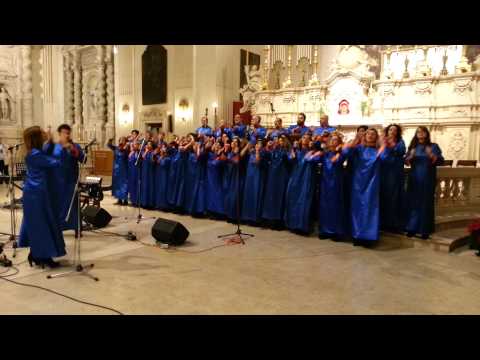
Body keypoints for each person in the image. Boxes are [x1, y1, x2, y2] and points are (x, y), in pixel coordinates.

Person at [18, 126, 64, 269]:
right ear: (37, 137)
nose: (45, 132)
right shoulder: (35, 154)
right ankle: (43, 256)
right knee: (42, 224)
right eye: (42, 132)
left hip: (36, 192)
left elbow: (46, 151)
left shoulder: (35, 152)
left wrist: (51, 141)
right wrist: (59, 147)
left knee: (40, 224)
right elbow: (55, 162)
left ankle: (37, 254)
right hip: (36, 194)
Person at [342, 128, 386, 247]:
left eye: (373, 134)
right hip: (358, 182)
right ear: (364, 136)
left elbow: (385, 158)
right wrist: (353, 142)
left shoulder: (378, 149)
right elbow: (345, 153)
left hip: (372, 182)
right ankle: (357, 235)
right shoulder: (359, 149)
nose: (370, 135)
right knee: (357, 209)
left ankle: (369, 237)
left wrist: (383, 146)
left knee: (370, 208)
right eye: (368, 134)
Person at [44, 124, 85, 234]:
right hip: (57, 181)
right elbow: (45, 156)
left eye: (67, 133)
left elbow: (83, 159)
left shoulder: (74, 145)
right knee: (58, 205)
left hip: (71, 180)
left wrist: (72, 149)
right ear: (59, 134)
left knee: (73, 204)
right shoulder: (55, 146)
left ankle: (77, 228)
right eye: (63, 133)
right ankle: (59, 228)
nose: (66, 135)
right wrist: (48, 141)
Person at [404, 126, 444, 239]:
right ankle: (411, 228)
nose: (420, 133)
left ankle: (424, 230)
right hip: (414, 178)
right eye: (418, 132)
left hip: (427, 178)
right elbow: (406, 162)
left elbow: (441, 161)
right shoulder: (413, 147)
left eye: (422, 132)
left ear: (426, 134)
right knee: (413, 202)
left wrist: (431, 155)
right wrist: (409, 157)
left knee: (426, 202)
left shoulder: (433, 146)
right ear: (416, 135)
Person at [284, 134, 322, 235]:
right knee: (293, 200)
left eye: (307, 138)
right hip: (295, 178)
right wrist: (293, 149)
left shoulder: (313, 152)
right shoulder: (297, 151)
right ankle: (293, 225)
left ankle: (303, 227)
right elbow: (290, 159)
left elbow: (316, 160)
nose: (304, 139)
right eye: (303, 137)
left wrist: (312, 150)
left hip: (307, 179)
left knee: (304, 202)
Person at [317, 132, 347, 240]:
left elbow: (339, 160)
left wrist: (340, 150)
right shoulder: (325, 153)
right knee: (324, 205)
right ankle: (325, 230)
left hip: (336, 182)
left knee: (336, 205)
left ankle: (336, 231)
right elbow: (316, 159)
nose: (334, 141)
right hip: (325, 181)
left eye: (336, 140)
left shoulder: (342, 153)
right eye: (332, 139)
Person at [379, 124, 406, 233]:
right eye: (390, 129)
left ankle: (394, 224)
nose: (392, 131)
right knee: (383, 196)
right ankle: (383, 222)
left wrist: (392, 145)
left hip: (395, 173)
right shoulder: (382, 140)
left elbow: (401, 151)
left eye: (395, 130)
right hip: (383, 171)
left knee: (394, 197)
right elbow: (379, 153)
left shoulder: (400, 142)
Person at [262, 135, 290, 229]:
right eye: (278, 140)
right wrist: (267, 147)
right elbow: (265, 157)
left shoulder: (286, 151)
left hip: (281, 177)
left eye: (281, 140)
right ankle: (270, 220)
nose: (278, 142)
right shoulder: (273, 151)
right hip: (272, 177)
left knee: (280, 197)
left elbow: (290, 161)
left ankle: (279, 222)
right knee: (271, 197)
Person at [241, 140, 267, 225]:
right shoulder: (251, 152)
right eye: (257, 144)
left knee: (256, 196)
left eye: (260, 144)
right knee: (248, 196)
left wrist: (257, 151)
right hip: (250, 177)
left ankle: (255, 219)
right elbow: (241, 154)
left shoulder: (262, 153)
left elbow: (257, 161)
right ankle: (246, 217)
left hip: (257, 177)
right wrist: (247, 146)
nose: (257, 145)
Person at [205, 139, 226, 219]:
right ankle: (212, 211)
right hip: (210, 176)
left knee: (217, 193)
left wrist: (219, 155)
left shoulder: (221, 155)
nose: (216, 146)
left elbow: (217, 164)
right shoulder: (210, 154)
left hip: (217, 177)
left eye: (218, 145)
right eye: (215, 145)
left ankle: (219, 212)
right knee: (211, 194)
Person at [107, 137, 129, 206]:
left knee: (124, 184)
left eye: (123, 140)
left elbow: (124, 153)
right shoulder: (116, 148)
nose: (121, 141)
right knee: (117, 185)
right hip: (116, 169)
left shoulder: (127, 149)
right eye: (120, 140)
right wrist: (110, 140)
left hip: (124, 169)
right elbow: (109, 145)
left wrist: (124, 147)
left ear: (125, 141)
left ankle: (125, 200)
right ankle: (119, 200)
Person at [153, 144, 171, 211]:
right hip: (158, 175)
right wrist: (155, 154)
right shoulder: (158, 156)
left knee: (163, 190)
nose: (162, 149)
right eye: (161, 148)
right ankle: (158, 205)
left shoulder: (168, 158)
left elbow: (163, 164)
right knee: (158, 190)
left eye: (163, 148)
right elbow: (154, 161)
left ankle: (164, 206)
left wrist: (162, 156)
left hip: (164, 176)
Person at [139, 141, 155, 209]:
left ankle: (149, 204)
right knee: (144, 186)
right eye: (147, 144)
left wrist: (151, 153)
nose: (148, 145)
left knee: (150, 186)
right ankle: (144, 203)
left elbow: (153, 161)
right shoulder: (143, 152)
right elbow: (142, 157)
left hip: (150, 172)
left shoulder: (153, 152)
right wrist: (146, 151)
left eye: (150, 144)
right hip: (144, 171)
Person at [127, 142, 140, 206]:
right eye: (134, 145)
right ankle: (132, 200)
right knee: (132, 186)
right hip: (131, 171)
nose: (135, 146)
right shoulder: (131, 153)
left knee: (136, 186)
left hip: (137, 171)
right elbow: (129, 160)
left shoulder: (139, 153)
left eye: (136, 145)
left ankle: (137, 201)